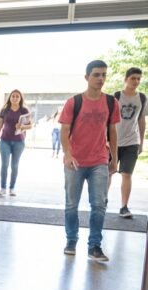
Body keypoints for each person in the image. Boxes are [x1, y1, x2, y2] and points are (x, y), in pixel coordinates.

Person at [59, 60, 120, 261]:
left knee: (99, 204)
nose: (100, 78)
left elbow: (112, 131)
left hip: (99, 161)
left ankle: (94, 246)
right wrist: (68, 155)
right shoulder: (74, 102)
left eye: (103, 74)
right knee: (71, 205)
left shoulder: (111, 103)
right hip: (75, 162)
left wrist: (114, 159)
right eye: (96, 75)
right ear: (87, 77)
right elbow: (65, 131)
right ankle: (71, 240)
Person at [113, 67, 146, 219]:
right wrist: (106, 140)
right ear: (126, 79)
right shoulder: (116, 96)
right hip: (114, 141)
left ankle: (124, 207)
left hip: (132, 141)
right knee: (108, 172)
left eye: (138, 78)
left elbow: (141, 120)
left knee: (127, 174)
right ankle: (102, 202)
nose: (136, 81)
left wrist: (141, 143)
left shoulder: (142, 98)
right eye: (133, 78)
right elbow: (108, 120)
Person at [0, 89, 31, 196]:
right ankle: (3, 188)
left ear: (20, 98)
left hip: (19, 142)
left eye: (17, 96)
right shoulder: (5, 110)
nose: (15, 98)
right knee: (4, 164)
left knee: (15, 165)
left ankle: (12, 188)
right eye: (13, 96)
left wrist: (22, 126)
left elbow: (30, 125)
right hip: (5, 141)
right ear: (10, 98)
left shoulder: (24, 110)